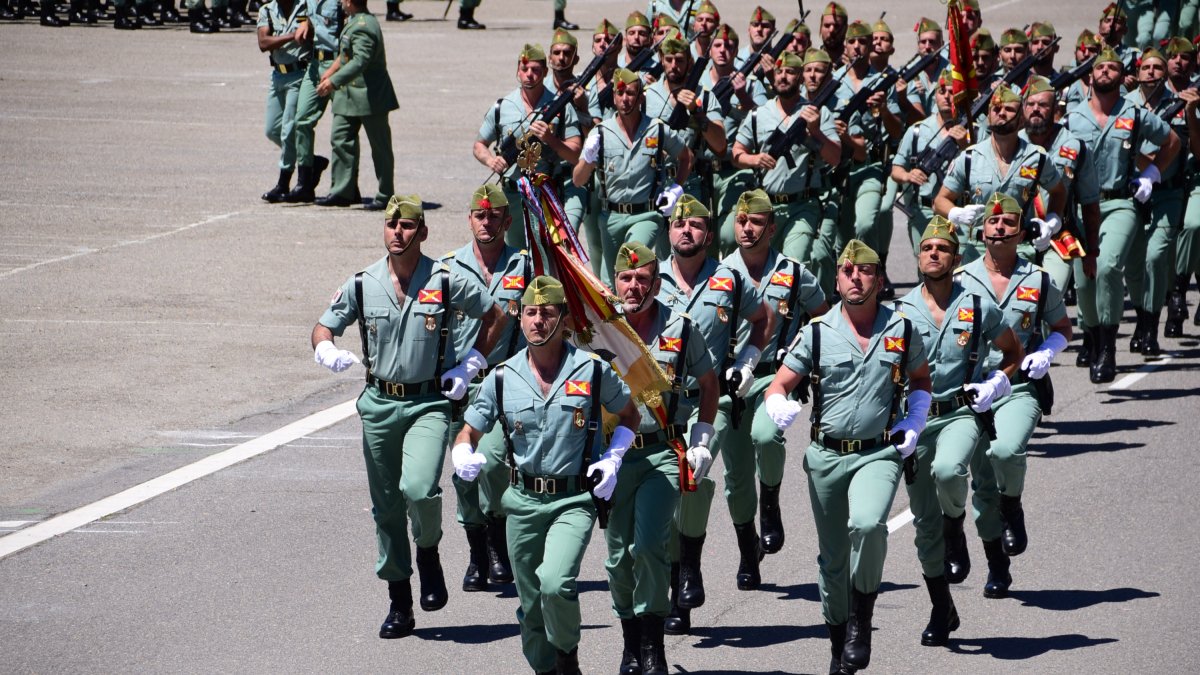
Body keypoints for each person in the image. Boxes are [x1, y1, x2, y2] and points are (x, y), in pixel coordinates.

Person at [311, 194, 507, 638]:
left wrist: (471, 362)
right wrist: (325, 348)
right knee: (386, 508)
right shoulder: (364, 283)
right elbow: (324, 325)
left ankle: (429, 553)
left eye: (407, 226)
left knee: (418, 488)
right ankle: (400, 600)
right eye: (391, 225)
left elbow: (495, 315)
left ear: (423, 232)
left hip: (428, 403)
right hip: (379, 404)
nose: (397, 233)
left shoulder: (444, 279)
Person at [451, 276, 641, 675]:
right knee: (531, 602)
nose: (538, 321)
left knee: (556, 583)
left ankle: (567, 657)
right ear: (520, 318)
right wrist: (461, 452)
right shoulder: (502, 378)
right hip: (521, 502)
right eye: (531, 312)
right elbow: (469, 430)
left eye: (548, 313)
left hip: (572, 501)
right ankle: (546, 667)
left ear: (565, 320)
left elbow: (629, 415)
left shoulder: (590, 371)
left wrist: (613, 458)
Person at [765, 239, 932, 675]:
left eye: (865, 270)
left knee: (869, 524)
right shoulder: (818, 332)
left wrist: (914, 420)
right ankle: (838, 644)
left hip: (877, 453)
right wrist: (776, 404)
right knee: (833, 559)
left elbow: (920, 379)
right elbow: (780, 383)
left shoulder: (901, 328)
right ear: (837, 280)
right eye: (846, 270)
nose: (855, 277)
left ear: (878, 279)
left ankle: (862, 621)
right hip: (825, 456)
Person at [897, 217, 1023, 646]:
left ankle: (961, 531)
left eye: (942, 248)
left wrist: (996, 382)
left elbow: (1012, 351)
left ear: (955, 257)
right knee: (922, 522)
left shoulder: (977, 304)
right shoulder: (900, 311)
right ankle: (941, 608)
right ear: (918, 257)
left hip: (960, 412)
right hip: (916, 421)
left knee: (950, 472)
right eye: (927, 247)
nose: (933, 253)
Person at [655, 195, 775, 635]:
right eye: (679, 225)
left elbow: (765, 319)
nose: (687, 232)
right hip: (662, 402)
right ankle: (681, 578)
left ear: (710, 233)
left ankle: (717, 561)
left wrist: (746, 361)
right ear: (669, 232)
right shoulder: (651, 278)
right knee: (676, 489)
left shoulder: (729, 279)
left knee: (711, 480)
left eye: (697, 226)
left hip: (713, 400)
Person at [607, 239, 718, 675]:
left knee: (650, 545)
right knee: (618, 557)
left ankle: (653, 647)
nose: (633, 286)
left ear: (657, 283)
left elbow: (708, 383)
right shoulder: (599, 330)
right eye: (626, 278)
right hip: (614, 460)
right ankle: (630, 642)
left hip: (659, 454)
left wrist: (703, 436)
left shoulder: (681, 327)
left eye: (642, 279)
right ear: (615, 280)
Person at [955, 192, 1073, 600]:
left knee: (1006, 451)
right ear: (981, 229)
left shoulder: (1038, 278)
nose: (1000, 227)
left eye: (1008, 222)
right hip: (972, 391)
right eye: (993, 221)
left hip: (1018, 386)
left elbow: (1062, 326)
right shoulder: (959, 279)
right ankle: (996, 565)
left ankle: (1013, 505)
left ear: (1021, 232)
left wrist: (1047, 351)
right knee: (980, 486)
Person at [722, 189, 828, 562]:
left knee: (765, 437)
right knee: (735, 480)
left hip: (774, 377)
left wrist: (799, 355)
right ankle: (746, 548)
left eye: (755, 222)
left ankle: (770, 501)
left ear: (772, 228)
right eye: (741, 220)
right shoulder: (720, 275)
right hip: (730, 383)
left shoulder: (794, 274)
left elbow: (821, 320)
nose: (747, 228)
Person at [1063, 47, 1179, 383]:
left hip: (1119, 203)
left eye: (1113, 68)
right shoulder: (1073, 116)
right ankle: (1094, 337)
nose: (1106, 72)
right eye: (1101, 68)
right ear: (1091, 75)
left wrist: (1152, 174)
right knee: (1083, 280)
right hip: (1081, 209)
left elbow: (1171, 140)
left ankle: (1109, 349)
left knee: (1108, 265)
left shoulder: (1134, 111)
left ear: (1121, 76)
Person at [443, 185, 531, 593]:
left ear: (507, 220)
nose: (486, 222)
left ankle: (497, 541)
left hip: (503, 382)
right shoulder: (447, 268)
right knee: (463, 475)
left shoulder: (526, 267)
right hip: (459, 385)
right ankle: (477, 552)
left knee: (493, 463)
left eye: (494, 215)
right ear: (469, 219)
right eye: (479, 216)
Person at [573, 67, 693, 286]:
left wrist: (676, 188)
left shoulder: (657, 130)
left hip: (646, 215)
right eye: (620, 93)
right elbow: (578, 180)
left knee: (631, 261)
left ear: (640, 98)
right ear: (614, 97)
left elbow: (686, 157)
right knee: (612, 284)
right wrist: (588, 158)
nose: (625, 99)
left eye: (630, 94)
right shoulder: (601, 132)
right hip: (611, 217)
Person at [731, 49, 842, 268]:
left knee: (794, 264)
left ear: (800, 78)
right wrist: (754, 160)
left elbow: (835, 157)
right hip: (764, 206)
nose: (783, 77)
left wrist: (816, 132)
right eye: (779, 72)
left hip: (802, 205)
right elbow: (737, 153)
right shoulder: (759, 114)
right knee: (760, 268)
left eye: (790, 72)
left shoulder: (817, 113)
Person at [933, 85, 1067, 263]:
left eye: (1009, 109)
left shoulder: (1037, 157)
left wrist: (1051, 223)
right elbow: (940, 201)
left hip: (1021, 250)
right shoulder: (970, 157)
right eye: (996, 109)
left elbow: (1059, 192)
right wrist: (956, 213)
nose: (1001, 113)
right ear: (989, 116)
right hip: (979, 251)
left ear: (1021, 119)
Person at [474, 44, 583, 247]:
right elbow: (479, 145)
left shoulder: (560, 106)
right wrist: (490, 160)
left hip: (547, 194)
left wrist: (552, 140)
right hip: (512, 194)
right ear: (518, 71)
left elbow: (576, 155)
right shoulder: (503, 106)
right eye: (525, 69)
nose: (529, 75)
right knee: (516, 254)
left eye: (535, 70)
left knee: (549, 254)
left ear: (545, 73)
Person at [315, 0, 399, 211]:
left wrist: (334, 81)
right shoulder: (354, 21)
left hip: (370, 96)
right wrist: (331, 71)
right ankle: (343, 191)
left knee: (380, 147)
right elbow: (346, 56)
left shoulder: (364, 26)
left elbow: (360, 60)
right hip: (349, 95)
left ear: (350, 2)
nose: (341, 2)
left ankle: (385, 194)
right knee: (341, 139)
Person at [892, 70, 970, 254]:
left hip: (958, 210)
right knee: (927, 271)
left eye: (952, 92)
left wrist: (966, 145)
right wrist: (908, 175)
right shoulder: (917, 131)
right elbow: (896, 169)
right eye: (942, 92)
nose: (947, 97)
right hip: (924, 211)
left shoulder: (972, 131)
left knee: (961, 267)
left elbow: (983, 167)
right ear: (934, 95)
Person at [282, 0, 339, 203]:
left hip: (339, 63)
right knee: (302, 120)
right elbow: (303, 11)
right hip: (315, 63)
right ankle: (304, 184)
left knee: (344, 127)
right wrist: (304, 22)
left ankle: (347, 187)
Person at [1164, 37, 1200, 337]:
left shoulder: (1197, 95)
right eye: (1173, 56)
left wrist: (1191, 113)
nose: (1179, 61)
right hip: (1161, 181)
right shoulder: (1153, 95)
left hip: (1194, 176)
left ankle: (1177, 293)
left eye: (1186, 57)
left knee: (1193, 226)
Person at [257, 0, 308, 204]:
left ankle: (283, 183)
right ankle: (309, 159)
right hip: (278, 76)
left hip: (300, 75)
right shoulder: (267, 10)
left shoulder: (305, 7)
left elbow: (311, 34)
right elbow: (263, 43)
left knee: (289, 130)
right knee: (272, 130)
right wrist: (291, 36)